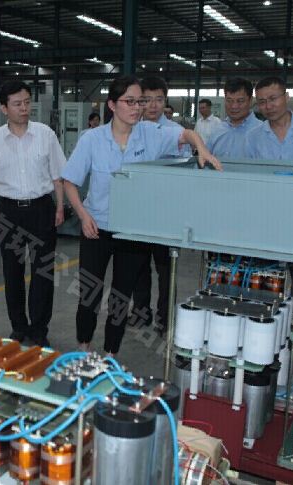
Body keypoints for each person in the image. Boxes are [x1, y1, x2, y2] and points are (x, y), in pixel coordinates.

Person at [61, 75, 221, 356]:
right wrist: (84, 216)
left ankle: (111, 354)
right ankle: (83, 347)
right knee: (90, 293)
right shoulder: (92, 139)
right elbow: (70, 182)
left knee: (121, 296)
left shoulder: (150, 133)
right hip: (96, 228)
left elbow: (186, 134)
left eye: (140, 102)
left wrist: (202, 149)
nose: (137, 108)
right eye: (130, 102)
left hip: (132, 231)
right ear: (112, 105)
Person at [0, 81, 66, 347]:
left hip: (41, 209)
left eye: (27, 102)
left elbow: (58, 175)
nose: (24, 108)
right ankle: (18, 326)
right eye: (17, 104)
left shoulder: (45, 135)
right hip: (9, 212)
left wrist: (60, 206)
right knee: (12, 272)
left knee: (43, 272)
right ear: (4, 108)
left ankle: (39, 329)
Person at [128, 76, 190, 333]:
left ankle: (165, 318)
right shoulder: (131, 130)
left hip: (166, 212)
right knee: (138, 267)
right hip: (139, 211)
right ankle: (141, 312)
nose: (152, 106)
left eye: (158, 99)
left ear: (165, 101)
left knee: (166, 269)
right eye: (146, 100)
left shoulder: (177, 133)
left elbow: (186, 170)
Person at [205, 78, 262, 158]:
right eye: (229, 100)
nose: (234, 106)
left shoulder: (262, 131)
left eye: (240, 101)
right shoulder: (217, 129)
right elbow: (205, 158)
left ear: (250, 101)